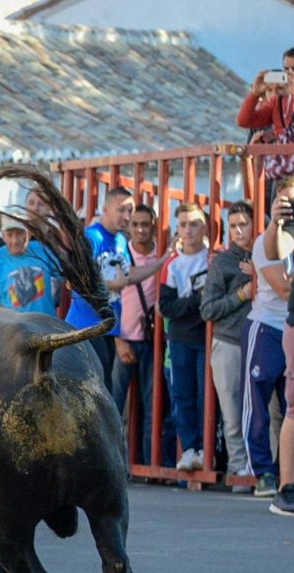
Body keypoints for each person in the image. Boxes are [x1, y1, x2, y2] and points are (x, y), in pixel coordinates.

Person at [245, 177, 294, 499]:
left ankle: (285, 473)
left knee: (288, 408)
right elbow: (284, 286)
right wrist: (277, 223)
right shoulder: (267, 238)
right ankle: (262, 472)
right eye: (285, 201)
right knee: (259, 406)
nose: (291, 207)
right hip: (268, 327)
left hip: (289, 325)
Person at [200, 201, 255, 489]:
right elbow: (207, 309)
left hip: (260, 340)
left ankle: (262, 470)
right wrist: (243, 294)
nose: (238, 231)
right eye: (232, 225)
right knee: (232, 414)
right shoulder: (222, 262)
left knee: (262, 412)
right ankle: (238, 473)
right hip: (228, 343)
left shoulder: (268, 255)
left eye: (243, 224)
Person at [111, 204, 170, 466]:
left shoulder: (163, 255)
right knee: (115, 406)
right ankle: (114, 463)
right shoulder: (121, 254)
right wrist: (118, 339)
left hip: (154, 340)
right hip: (124, 338)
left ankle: (149, 463)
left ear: (154, 225)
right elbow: (111, 299)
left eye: (145, 224)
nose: (140, 230)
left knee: (152, 405)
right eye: (135, 224)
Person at [159, 204, 211, 473]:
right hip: (179, 339)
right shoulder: (172, 264)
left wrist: (187, 304)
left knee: (206, 397)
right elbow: (166, 306)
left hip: (206, 338)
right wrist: (195, 302)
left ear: (204, 226)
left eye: (193, 223)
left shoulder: (214, 258)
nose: (188, 229)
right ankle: (190, 448)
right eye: (183, 224)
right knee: (183, 396)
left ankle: (208, 449)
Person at [68, 187, 135, 385]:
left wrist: (162, 261)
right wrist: (113, 285)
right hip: (86, 327)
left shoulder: (121, 240)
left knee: (103, 390)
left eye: (130, 210)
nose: (126, 215)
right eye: (121, 209)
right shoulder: (92, 237)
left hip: (108, 326)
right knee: (96, 391)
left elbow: (129, 275)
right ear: (105, 209)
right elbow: (73, 278)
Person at [264, 176, 294, 515]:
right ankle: (287, 489)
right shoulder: (292, 221)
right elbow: (278, 250)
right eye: (285, 202)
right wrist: (278, 221)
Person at [0, 215, 62, 314]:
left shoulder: (42, 250)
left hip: (47, 325)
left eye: (19, 234)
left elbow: (63, 277)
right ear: (3, 236)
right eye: (9, 235)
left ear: (29, 233)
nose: (15, 241)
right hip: (13, 327)